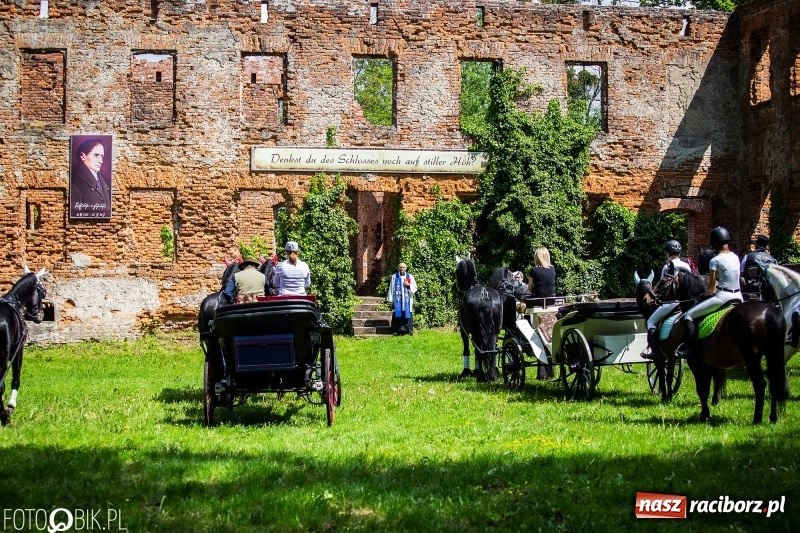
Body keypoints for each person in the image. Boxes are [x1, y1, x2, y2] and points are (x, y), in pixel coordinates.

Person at [676, 227, 743, 357]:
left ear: (714, 243)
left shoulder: (715, 260)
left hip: (724, 297)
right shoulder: (735, 257)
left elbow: (711, 288)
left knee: (689, 315)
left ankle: (689, 349)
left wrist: (703, 296)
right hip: (739, 296)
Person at [642, 240, 693, 360]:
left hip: (672, 302)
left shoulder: (667, 266)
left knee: (651, 321)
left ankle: (655, 351)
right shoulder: (686, 266)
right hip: (685, 302)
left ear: (668, 253)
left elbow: (662, 286)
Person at [70, 138, 112, 218]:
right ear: (83, 156)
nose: (101, 161)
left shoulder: (101, 181)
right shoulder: (75, 184)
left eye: (102, 156)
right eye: (96, 155)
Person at [740, 234, 777, 299]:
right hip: (769, 291)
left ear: (756, 246)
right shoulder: (772, 259)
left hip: (751, 289)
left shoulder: (748, 257)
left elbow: (741, 273)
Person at [386, 262, 417, 335]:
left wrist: (408, 286)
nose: (402, 269)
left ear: (406, 268)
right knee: (397, 314)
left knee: (408, 313)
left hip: (407, 299)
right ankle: (396, 330)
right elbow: (391, 288)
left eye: (403, 267)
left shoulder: (409, 276)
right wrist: (390, 299)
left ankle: (409, 330)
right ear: (398, 268)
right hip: (398, 300)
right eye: (400, 267)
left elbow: (414, 287)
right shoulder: (394, 277)